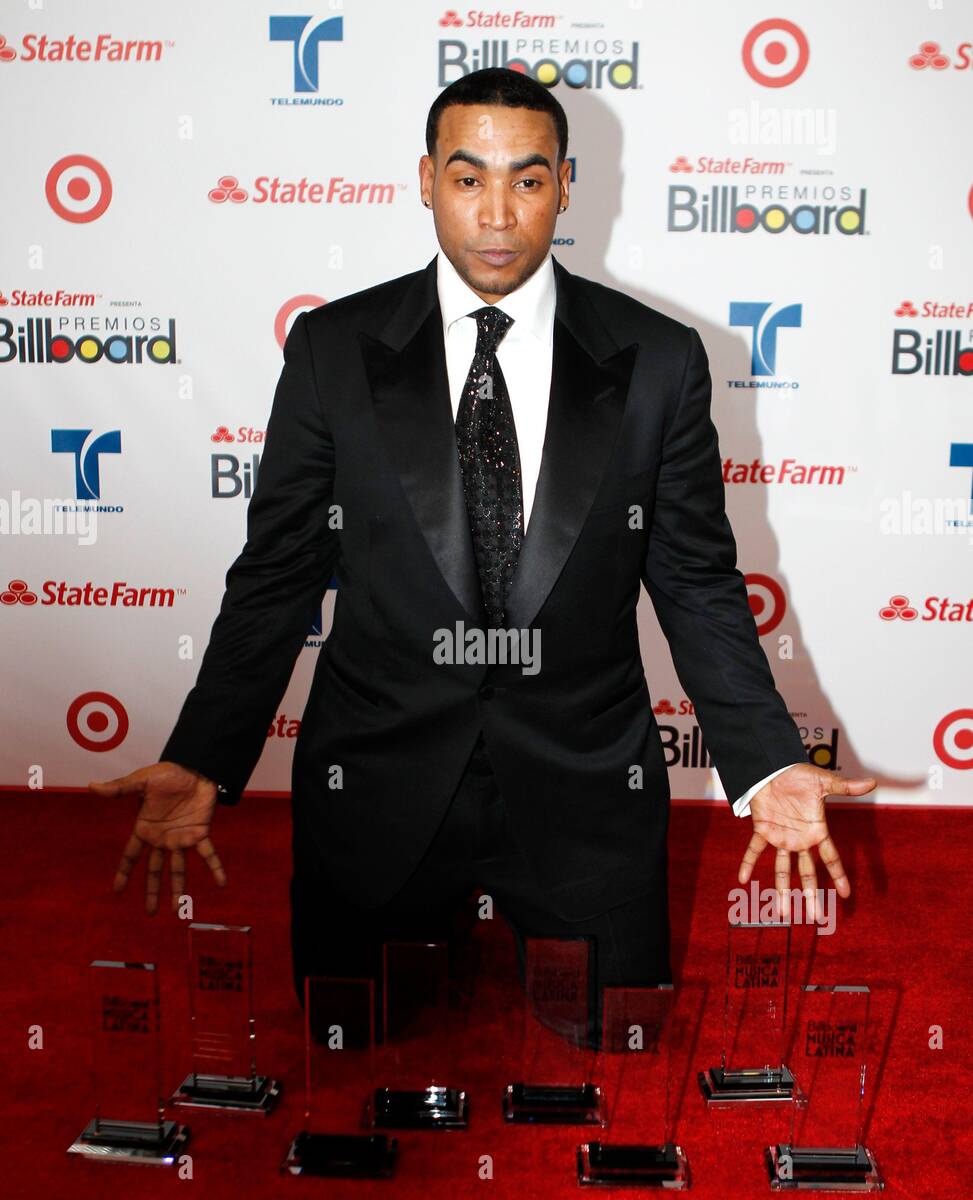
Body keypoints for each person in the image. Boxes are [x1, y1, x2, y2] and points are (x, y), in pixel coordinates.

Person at [89, 69, 875, 1039]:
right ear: (425, 180)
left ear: (566, 185)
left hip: (582, 781)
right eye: (468, 179)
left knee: (617, 1038)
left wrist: (763, 763)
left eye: (528, 179)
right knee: (352, 1039)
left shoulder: (656, 359)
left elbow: (695, 578)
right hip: (378, 780)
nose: (497, 213)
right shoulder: (334, 350)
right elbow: (277, 572)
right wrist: (204, 753)